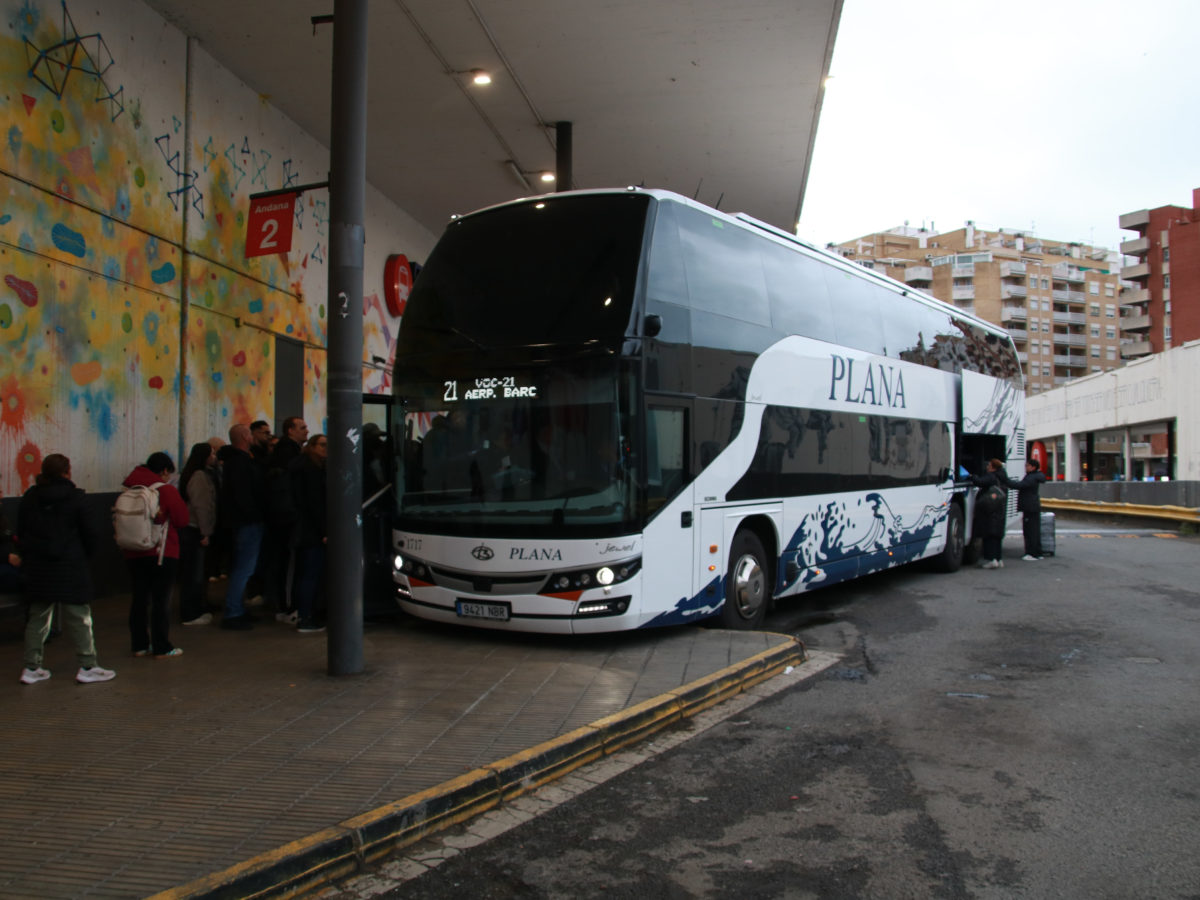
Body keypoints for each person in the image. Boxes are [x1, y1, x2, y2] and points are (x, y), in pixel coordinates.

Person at [17, 454, 115, 684]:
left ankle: (31, 667)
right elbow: (91, 532)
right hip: (71, 565)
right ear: (67, 472)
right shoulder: (76, 498)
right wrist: (84, 556)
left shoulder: (31, 497)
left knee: (37, 617)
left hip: (38, 566)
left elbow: (22, 531)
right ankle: (87, 665)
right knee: (80, 616)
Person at [122, 452, 190, 658]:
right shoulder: (166, 490)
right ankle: (162, 646)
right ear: (164, 471)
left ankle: (139, 645)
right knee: (161, 601)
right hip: (162, 552)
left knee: (139, 599)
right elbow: (182, 519)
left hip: (133, 551)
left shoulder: (129, 488)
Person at [220, 423, 266, 630]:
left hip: (242, 520)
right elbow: (243, 494)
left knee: (243, 567)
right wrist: (255, 514)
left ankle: (236, 607)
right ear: (245, 437)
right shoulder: (240, 463)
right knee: (243, 569)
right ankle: (233, 611)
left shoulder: (234, 462)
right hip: (247, 522)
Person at [263, 416, 307, 623]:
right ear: (290, 431)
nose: (306, 431)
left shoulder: (286, 453)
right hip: (286, 519)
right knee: (287, 563)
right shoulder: (290, 455)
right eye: (302, 428)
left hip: (281, 518)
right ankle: (287, 606)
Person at [288, 434, 328, 633]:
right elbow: (315, 504)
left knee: (304, 573)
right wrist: (324, 530)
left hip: (302, 528)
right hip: (310, 530)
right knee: (310, 574)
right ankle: (305, 616)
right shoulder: (311, 470)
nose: (325, 449)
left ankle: (302, 612)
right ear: (311, 447)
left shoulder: (301, 466)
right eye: (322, 445)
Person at [177, 442, 217, 625]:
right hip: (195, 530)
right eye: (212, 453)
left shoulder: (190, 474)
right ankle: (191, 613)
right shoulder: (199, 476)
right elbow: (201, 506)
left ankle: (193, 609)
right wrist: (205, 532)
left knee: (192, 573)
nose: (214, 457)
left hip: (191, 529)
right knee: (194, 574)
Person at [1001, 458, 1048, 561]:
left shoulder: (1031, 477)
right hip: (1033, 506)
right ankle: (1037, 552)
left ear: (1033, 467)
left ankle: (1031, 553)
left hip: (1029, 506)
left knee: (1029, 531)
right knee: (1035, 530)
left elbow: (1019, 485)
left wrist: (1005, 480)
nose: (1025, 467)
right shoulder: (1036, 476)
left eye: (1027, 466)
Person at [969, 458, 1008, 570]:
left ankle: (991, 560)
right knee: (997, 536)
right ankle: (998, 559)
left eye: (989, 465)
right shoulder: (1003, 476)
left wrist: (973, 476)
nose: (987, 467)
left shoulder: (991, 476)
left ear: (993, 467)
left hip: (990, 509)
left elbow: (979, 482)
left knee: (989, 534)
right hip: (999, 508)